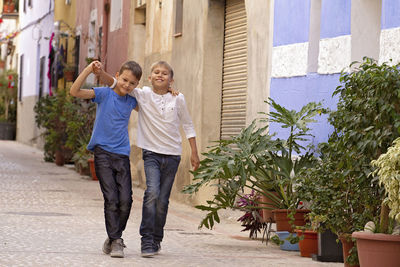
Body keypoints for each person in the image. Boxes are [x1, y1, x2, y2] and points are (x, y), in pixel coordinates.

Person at [98, 60, 200, 257]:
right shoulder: (142, 94)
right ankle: (146, 240)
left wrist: (194, 153)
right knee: (152, 193)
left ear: (171, 79)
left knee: (162, 201)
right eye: (156, 72)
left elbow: (188, 125)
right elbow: (115, 83)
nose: (160, 75)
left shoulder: (178, 99)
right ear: (149, 77)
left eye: (164, 73)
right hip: (151, 153)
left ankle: (156, 239)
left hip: (172, 155)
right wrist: (99, 71)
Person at [70, 60, 142, 258]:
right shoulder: (104, 93)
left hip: (122, 154)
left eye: (132, 83)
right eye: (124, 79)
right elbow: (74, 92)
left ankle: (112, 237)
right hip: (102, 153)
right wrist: (88, 70)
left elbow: (152, 104)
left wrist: (170, 91)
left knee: (126, 200)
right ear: (118, 75)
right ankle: (117, 240)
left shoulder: (132, 100)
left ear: (136, 85)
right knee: (111, 198)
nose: (127, 85)